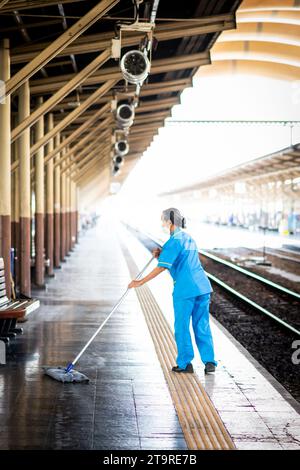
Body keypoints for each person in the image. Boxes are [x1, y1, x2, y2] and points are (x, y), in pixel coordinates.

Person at [128, 208, 217, 374]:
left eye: (162, 220)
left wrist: (140, 282)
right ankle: (210, 362)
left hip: (185, 290)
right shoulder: (188, 238)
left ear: (169, 222)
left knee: (182, 327)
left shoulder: (172, 242)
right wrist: (162, 254)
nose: (161, 223)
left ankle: (185, 364)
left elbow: (162, 267)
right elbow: (181, 257)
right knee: (202, 325)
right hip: (203, 287)